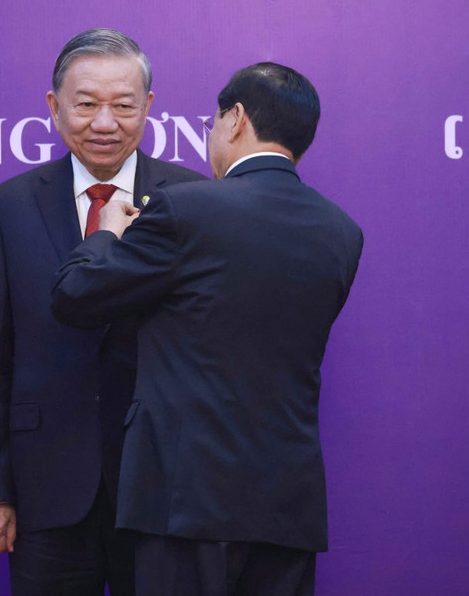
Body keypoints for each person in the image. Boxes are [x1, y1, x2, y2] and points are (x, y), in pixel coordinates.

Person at [51, 62, 364, 596]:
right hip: (286, 508)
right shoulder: (342, 232)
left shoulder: (185, 208)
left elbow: (76, 296)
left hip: (186, 503)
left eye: (211, 122)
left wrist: (107, 234)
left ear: (235, 119)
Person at [0, 29, 203, 595]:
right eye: (86, 103)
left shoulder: (192, 199)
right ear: (54, 107)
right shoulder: (9, 205)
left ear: (147, 107)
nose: (104, 122)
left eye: (122, 105)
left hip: (163, 490)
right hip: (46, 489)